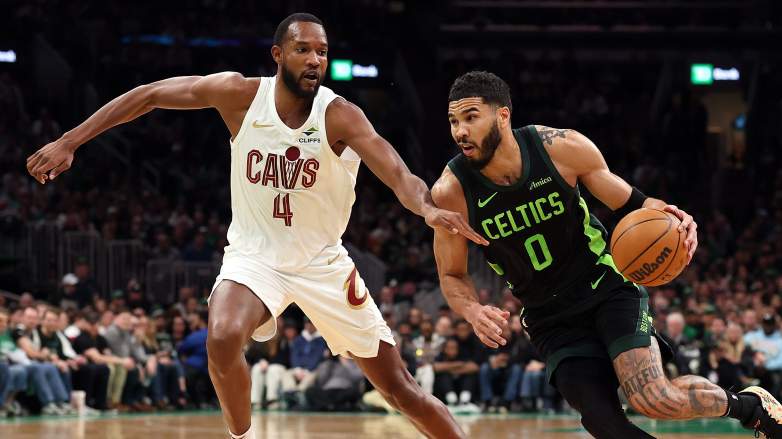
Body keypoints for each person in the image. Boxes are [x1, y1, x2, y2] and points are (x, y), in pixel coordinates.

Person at [26, 12, 485, 439]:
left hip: (321, 263)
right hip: (255, 258)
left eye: (322, 52)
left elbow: (399, 174)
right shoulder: (240, 96)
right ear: (278, 55)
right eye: (304, 49)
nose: (316, 60)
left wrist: (426, 208)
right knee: (222, 338)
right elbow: (148, 96)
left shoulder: (339, 114)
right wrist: (70, 141)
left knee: (399, 388)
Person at [430, 70, 782, 438]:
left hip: (605, 286)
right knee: (604, 424)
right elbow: (451, 274)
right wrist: (472, 310)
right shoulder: (451, 192)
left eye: (471, 117)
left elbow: (634, 204)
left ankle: (751, 407)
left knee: (652, 398)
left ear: (502, 115)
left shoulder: (559, 148)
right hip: (549, 317)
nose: (460, 131)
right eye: (454, 121)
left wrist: (674, 217)